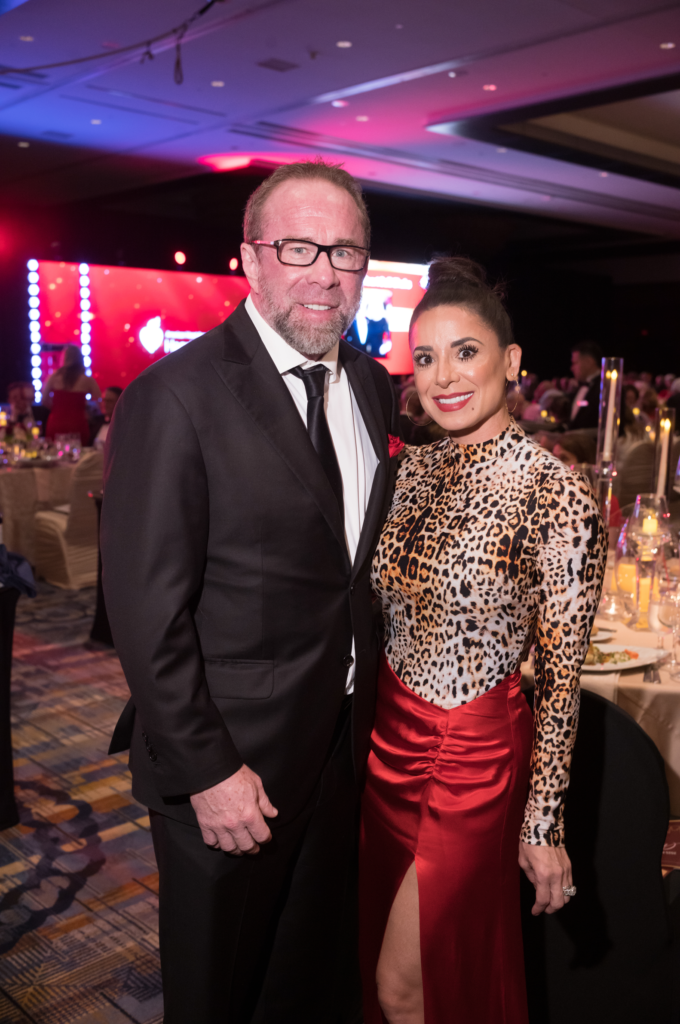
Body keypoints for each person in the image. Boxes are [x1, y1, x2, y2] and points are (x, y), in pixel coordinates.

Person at [101, 159, 400, 1024]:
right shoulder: (175, 397)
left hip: (341, 750)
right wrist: (209, 770)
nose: (323, 272)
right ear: (250, 257)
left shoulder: (374, 387)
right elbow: (145, 612)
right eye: (297, 246)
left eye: (344, 252)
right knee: (218, 992)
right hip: (230, 770)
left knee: (305, 983)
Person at [360, 257, 607, 1024]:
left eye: (465, 352)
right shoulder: (407, 472)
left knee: (409, 987)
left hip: (471, 758)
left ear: (511, 362)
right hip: (384, 744)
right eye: (426, 357)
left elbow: (562, 682)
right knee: (385, 974)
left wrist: (543, 825)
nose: (443, 377)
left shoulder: (556, 492)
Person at [43, 344, 101, 445]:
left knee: (55, 454)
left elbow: (44, 400)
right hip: (78, 423)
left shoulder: (53, 377)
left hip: (56, 422)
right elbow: (100, 401)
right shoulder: (87, 380)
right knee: (79, 456)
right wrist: (89, 411)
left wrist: (57, 409)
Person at [569, 340, 603, 429]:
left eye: (574, 363)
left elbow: (602, 428)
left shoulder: (605, 387)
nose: (572, 368)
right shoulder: (582, 386)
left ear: (589, 362)